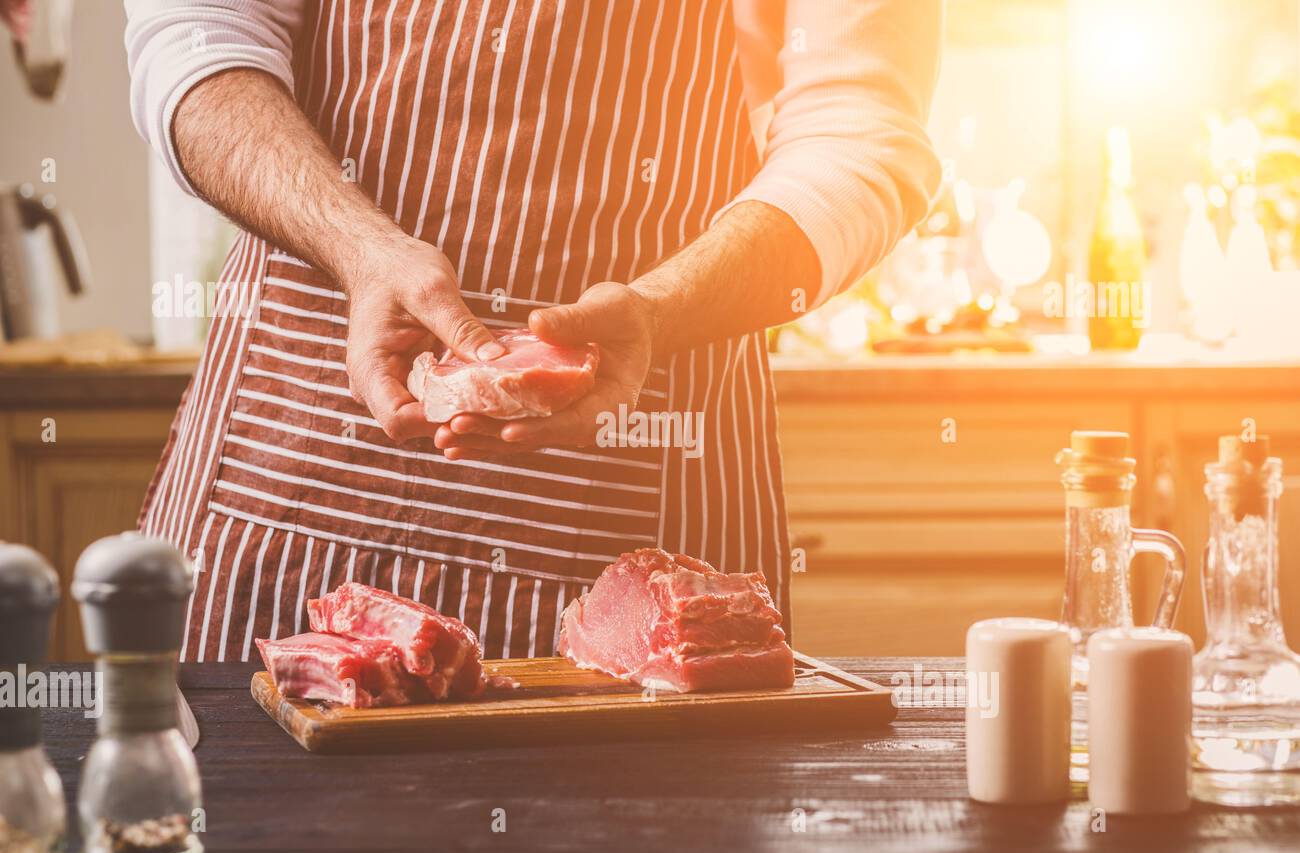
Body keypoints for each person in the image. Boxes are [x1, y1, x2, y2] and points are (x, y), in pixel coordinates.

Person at [123, 0, 941, 660]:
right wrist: (355, 245)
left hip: (632, 478)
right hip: (285, 469)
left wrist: (660, 309)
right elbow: (197, 33)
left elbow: (859, 131)